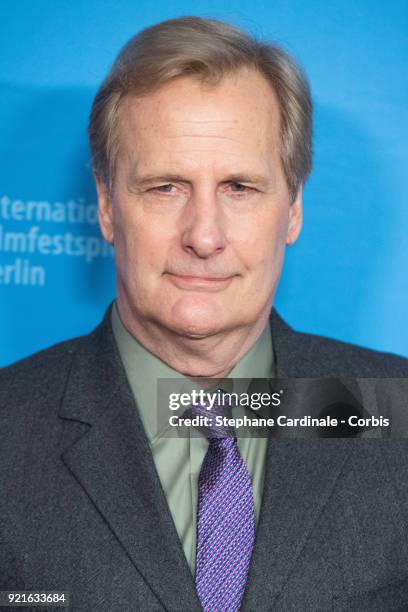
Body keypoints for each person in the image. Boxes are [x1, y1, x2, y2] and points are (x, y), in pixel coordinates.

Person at [1, 16, 407, 612]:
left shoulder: (393, 411)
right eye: (165, 187)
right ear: (108, 207)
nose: (204, 236)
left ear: (293, 209)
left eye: (240, 187)